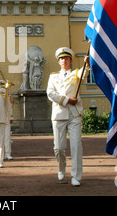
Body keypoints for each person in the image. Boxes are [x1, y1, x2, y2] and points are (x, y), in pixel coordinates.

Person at [46, 47, 89, 187]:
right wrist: (66, 100)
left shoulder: (77, 73)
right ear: (58, 61)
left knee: (76, 145)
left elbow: (84, 76)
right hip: (59, 113)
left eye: (66, 58)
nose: (64, 61)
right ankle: (61, 167)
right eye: (61, 59)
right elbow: (50, 93)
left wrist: (87, 64)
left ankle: (76, 176)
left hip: (74, 113)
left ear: (71, 60)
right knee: (58, 148)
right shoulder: (53, 76)